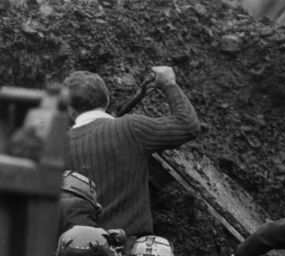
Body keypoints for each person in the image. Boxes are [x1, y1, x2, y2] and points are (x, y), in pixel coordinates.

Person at [64, 66, 200, 238]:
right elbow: (187, 126)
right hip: (131, 252)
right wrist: (169, 84)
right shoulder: (130, 128)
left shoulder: (58, 147)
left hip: (81, 254)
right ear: (106, 100)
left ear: (68, 109)